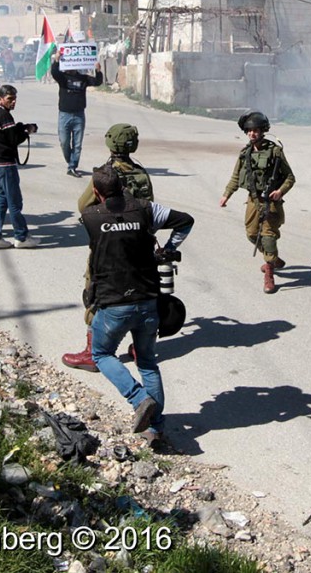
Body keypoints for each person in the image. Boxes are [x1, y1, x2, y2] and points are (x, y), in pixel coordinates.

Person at [81, 163, 193, 443]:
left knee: (101, 354)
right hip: (148, 300)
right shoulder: (146, 209)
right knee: (147, 362)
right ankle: (154, 428)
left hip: (113, 301)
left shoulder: (90, 217)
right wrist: (169, 249)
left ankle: (138, 398)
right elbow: (185, 220)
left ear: (96, 192)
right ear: (122, 186)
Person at [64, 123, 155, 373]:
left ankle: (94, 354)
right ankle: (140, 348)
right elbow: (150, 207)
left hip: (108, 246)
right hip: (138, 248)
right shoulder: (141, 173)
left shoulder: (105, 174)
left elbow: (84, 205)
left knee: (96, 292)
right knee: (138, 293)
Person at [219, 111, 295, 294]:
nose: (252, 134)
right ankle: (273, 259)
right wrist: (226, 195)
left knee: (268, 236)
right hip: (253, 200)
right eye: (249, 131)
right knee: (252, 234)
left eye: (256, 130)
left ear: (263, 131)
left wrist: (280, 191)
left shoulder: (275, 152)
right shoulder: (245, 153)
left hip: (271, 202)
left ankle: (269, 272)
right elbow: (236, 176)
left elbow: (290, 177)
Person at [0, 85, 38, 249]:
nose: (13, 102)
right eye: (10, 99)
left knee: (1, 200)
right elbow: (12, 139)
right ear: (1, 99)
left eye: (15, 98)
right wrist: (27, 131)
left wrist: (20, 128)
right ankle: (21, 236)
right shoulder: (4, 115)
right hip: (4, 165)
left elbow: (5, 135)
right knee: (15, 202)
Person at [50, 59, 104, 177]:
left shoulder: (83, 78)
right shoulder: (63, 78)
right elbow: (54, 72)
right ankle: (71, 161)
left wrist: (98, 71)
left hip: (79, 115)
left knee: (77, 144)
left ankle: (72, 166)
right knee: (64, 142)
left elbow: (97, 82)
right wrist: (57, 59)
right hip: (64, 115)